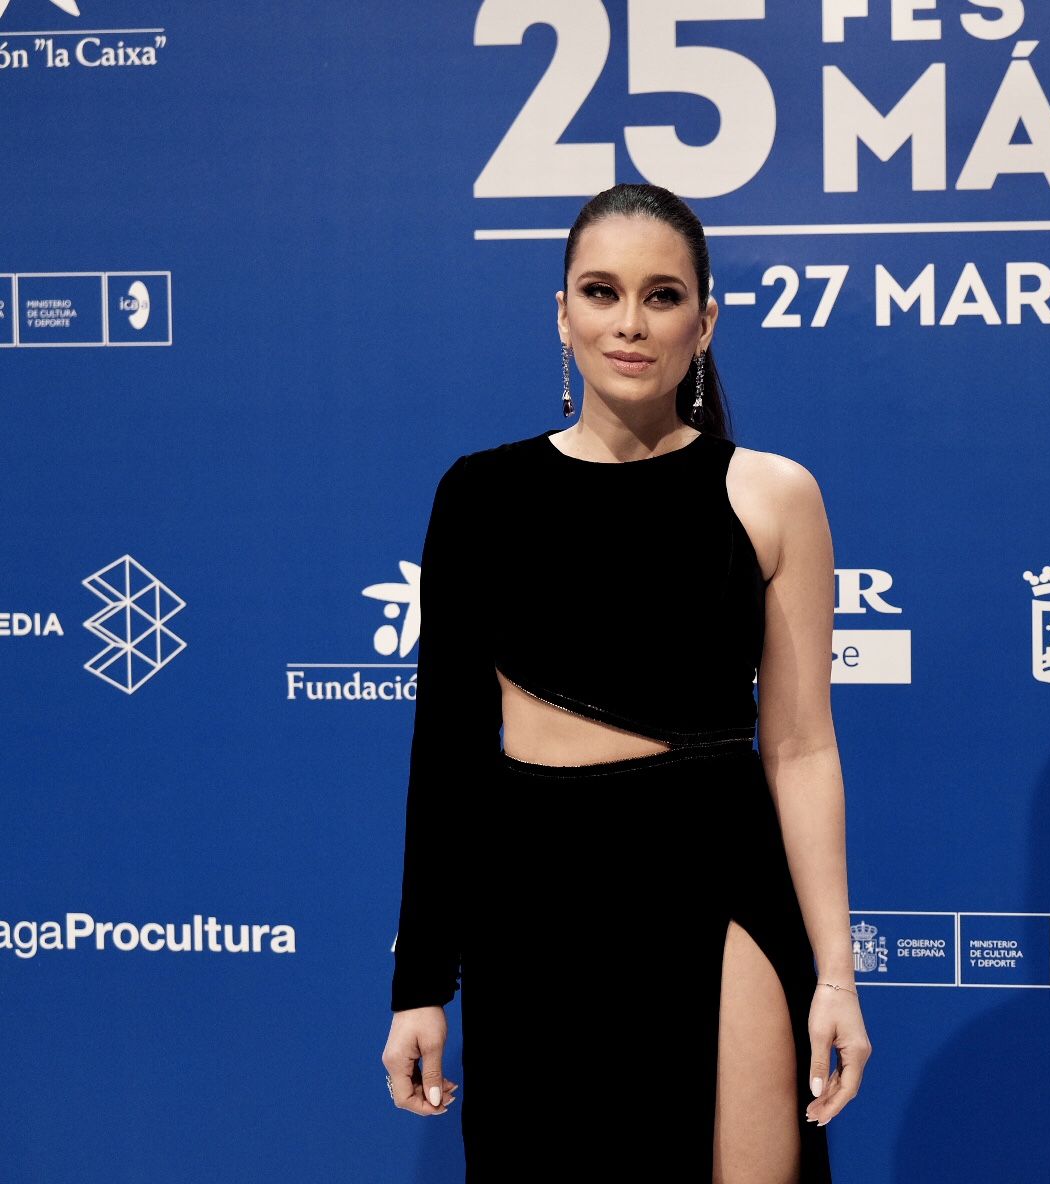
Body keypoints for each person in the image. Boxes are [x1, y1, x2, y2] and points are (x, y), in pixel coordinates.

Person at [379, 183, 869, 1181]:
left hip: (715, 877)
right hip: (534, 899)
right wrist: (421, 983)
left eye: (662, 294)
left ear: (706, 319)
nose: (631, 322)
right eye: (602, 292)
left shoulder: (774, 493)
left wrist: (838, 972)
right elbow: (449, 751)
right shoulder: (480, 495)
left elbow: (802, 745)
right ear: (562, 312)